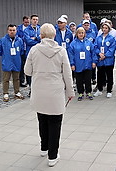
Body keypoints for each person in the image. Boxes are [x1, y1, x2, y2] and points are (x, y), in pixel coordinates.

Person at [24, 23, 74, 167]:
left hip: (39, 91)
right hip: (55, 92)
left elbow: (27, 71)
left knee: (42, 120)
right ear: (54, 35)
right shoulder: (61, 51)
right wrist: (70, 92)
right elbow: (67, 74)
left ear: (41, 35)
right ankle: (53, 155)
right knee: (55, 123)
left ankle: (43, 148)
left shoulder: (34, 50)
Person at [0, 24, 25, 102]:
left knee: (17, 78)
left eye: (13, 30)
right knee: (6, 79)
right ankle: (5, 93)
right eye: (10, 30)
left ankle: (17, 92)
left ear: (16, 31)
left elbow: (22, 51)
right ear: (7, 31)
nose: (12, 32)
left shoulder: (19, 40)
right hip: (7, 62)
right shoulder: (2, 40)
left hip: (16, 62)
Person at [68, 27, 96, 101]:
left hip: (87, 64)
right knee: (79, 80)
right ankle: (80, 92)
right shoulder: (73, 44)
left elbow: (93, 53)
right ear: (77, 34)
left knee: (88, 79)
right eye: (79, 33)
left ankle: (88, 92)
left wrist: (94, 62)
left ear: (84, 34)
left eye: (82, 33)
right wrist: (72, 64)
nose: (81, 34)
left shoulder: (89, 42)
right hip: (78, 65)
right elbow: (71, 55)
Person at [94, 22, 116, 97]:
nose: (104, 29)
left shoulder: (111, 38)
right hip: (100, 60)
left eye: (106, 28)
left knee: (109, 75)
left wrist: (105, 55)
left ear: (109, 29)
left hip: (108, 60)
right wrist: (99, 53)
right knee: (100, 75)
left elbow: (112, 49)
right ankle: (99, 89)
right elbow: (95, 47)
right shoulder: (98, 38)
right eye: (103, 28)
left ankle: (109, 90)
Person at [24, 14, 41, 95]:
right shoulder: (27, 30)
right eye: (34, 19)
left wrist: (35, 38)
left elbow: (42, 39)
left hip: (39, 53)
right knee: (30, 71)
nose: (35, 21)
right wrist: (37, 39)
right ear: (31, 20)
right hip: (30, 52)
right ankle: (31, 88)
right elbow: (28, 41)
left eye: (36, 19)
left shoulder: (40, 29)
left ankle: (37, 88)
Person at [82, 20, 97, 85]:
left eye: (87, 25)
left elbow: (95, 42)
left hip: (91, 52)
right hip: (82, 53)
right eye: (85, 25)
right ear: (83, 25)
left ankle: (93, 78)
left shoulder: (93, 33)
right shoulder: (81, 32)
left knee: (92, 66)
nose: (86, 26)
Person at [17, 16, 30, 87]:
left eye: (28, 22)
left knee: (28, 65)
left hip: (28, 49)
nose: (27, 23)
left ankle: (28, 81)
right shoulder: (19, 28)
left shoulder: (30, 29)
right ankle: (21, 81)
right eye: (25, 22)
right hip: (21, 49)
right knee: (21, 66)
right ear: (23, 22)